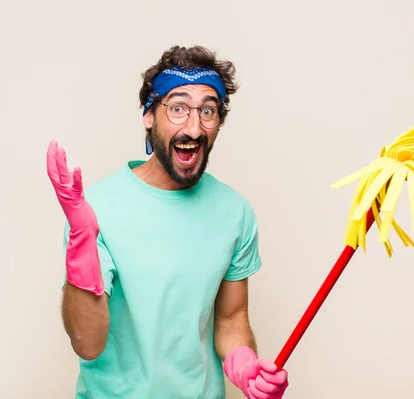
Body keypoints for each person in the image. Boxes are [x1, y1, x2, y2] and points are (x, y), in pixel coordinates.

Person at [46, 45, 289, 399]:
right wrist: (82, 238)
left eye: (208, 110)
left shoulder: (235, 212)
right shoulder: (96, 207)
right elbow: (88, 343)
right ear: (149, 115)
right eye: (177, 108)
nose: (194, 127)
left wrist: (245, 363)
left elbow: (230, 319)